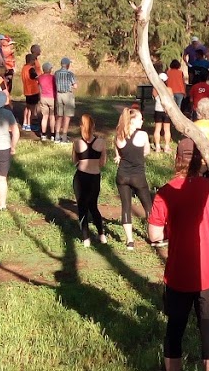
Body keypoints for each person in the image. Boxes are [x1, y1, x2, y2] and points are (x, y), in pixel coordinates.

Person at [149, 139, 209, 371]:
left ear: (176, 159)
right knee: (208, 331)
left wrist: (171, 231)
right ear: (200, 160)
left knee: (174, 330)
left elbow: (154, 234)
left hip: (177, 272)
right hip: (207, 274)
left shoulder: (165, 191)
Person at [114, 105, 154, 250]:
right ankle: (153, 236)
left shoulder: (119, 134)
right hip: (138, 175)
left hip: (122, 175)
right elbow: (146, 152)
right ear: (133, 121)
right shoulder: (142, 135)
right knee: (148, 206)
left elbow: (117, 150)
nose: (142, 122)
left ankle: (130, 241)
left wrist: (119, 156)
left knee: (126, 206)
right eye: (140, 119)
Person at [72, 113, 108, 247]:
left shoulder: (76, 142)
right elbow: (102, 163)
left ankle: (86, 238)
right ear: (93, 126)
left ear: (81, 126)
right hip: (94, 177)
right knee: (93, 206)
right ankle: (101, 234)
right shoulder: (101, 142)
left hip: (80, 177)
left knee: (82, 208)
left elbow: (74, 161)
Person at [54, 57, 78, 144]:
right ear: (68, 65)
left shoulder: (56, 73)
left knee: (59, 116)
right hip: (68, 95)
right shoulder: (70, 74)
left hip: (59, 95)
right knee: (67, 117)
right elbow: (75, 86)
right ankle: (64, 137)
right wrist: (70, 86)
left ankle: (56, 136)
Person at [21, 52, 42, 133]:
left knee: (27, 108)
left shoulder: (24, 68)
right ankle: (30, 125)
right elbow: (36, 77)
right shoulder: (31, 69)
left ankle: (24, 123)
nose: (35, 62)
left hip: (27, 91)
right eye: (34, 60)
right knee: (32, 109)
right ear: (31, 60)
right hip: (33, 91)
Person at [37, 62, 56, 141]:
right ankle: (52, 135)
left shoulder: (40, 77)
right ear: (49, 69)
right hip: (52, 98)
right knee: (52, 117)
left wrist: (40, 97)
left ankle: (43, 135)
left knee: (44, 117)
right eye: (51, 68)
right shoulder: (53, 77)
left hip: (43, 97)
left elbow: (39, 88)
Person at [152, 74, 170, 153]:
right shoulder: (169, 89)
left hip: (158, 109)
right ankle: (166, 146)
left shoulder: (155, 89)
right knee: (167, 129)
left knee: (157, 129)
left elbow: (154, 98)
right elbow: (171, 100)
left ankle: (158, 147)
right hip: (166, 110)